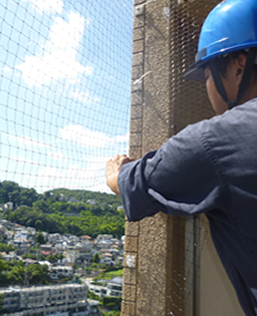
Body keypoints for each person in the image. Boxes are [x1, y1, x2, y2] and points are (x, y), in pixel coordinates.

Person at [105, 0, 257, 315]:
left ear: (238, 66)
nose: (207, 88)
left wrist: (116, 171)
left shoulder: (218, 140)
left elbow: (134, 182)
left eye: (207, 76)